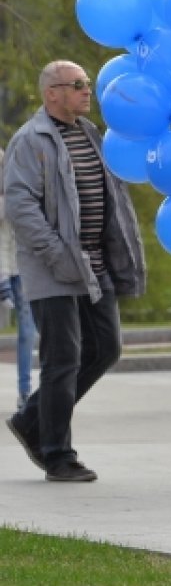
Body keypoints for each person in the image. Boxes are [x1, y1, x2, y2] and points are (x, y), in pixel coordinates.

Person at [4, 60, 145, 482]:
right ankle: (57, 454)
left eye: (88, 84)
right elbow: (20, 205)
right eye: (78, 85)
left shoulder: (91, 134)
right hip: (53, 270)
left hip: (94, 266)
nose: (88, 91)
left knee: (106, 348)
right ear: (52, 93)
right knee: (62, 359)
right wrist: (56, 252)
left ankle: (32, 419)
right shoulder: (30, 140)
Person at [0, 148, 38, 412]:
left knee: (28, 331)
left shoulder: (19, 186)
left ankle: (25, 391)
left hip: (20, 268)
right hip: (2, 269)